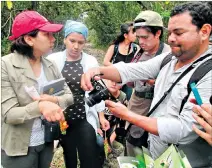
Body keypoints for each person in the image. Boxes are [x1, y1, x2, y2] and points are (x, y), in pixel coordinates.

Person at [81, 2, 212, 167]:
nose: (171, 39)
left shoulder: (208, 73)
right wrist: (97, 71)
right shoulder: (170, 58)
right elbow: (133, 70)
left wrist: (128, 115)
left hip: (183, 161)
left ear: (204, 31)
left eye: (178, 33)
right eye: (170, 32)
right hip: (157, 153)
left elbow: (184, 129)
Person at [1, 11, 73, 168]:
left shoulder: (50, 65)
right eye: (47, 34)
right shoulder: (5, 66)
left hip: (46, 141)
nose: (53, 39)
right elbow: (9, 114)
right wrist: (40, 107)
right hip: (18, 147)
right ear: (29, 39)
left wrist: (53, 100)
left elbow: (69, 97)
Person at [47, 20, 107, 168]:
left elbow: (96, 91)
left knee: (89, 157)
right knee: (70, 157)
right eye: (72, 41)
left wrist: (102, 117)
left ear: (85, 42)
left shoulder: (90, 61)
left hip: (83, 116)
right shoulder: (52, 60)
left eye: (80, 42)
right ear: (65, 39)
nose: (76, 46)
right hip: (63, 119)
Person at [126, 10, 171, 156]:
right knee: (133, 145)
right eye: (138, 37)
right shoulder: (139, 52)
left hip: (160, 109)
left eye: (145, 37)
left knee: (155, 150)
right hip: (137, 104)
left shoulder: (169, 54)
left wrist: (156, 82)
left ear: (158, 33)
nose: (141, 42)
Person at [103, 22, 140, 101]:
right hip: (114, 79)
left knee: (126, 100)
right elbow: (105, 62)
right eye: (133, 32)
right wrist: (120, 69)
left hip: (127, 80)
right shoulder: (114, 47)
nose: (135, 34)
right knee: (112, 101)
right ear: (125, 35)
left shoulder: (136, 48)